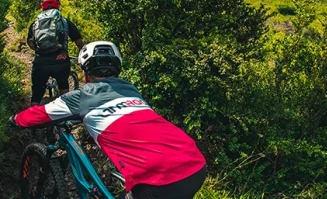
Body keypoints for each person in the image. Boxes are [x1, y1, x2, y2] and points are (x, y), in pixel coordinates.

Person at [11, 41, 207, 199]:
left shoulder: (79, 98)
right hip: (194, 163)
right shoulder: (131, 90)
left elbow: (38, 114)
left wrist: (15, 119)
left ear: (85, 73)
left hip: (158, 180)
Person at [27, 0, 84, 105]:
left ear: (42, 6)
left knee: (37, 92)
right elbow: (78, 41)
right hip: (60, 59)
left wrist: (41, 50)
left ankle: (32, 116)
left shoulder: (35, 23)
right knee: (63, 86)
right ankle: (65, 113)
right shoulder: (65, 22)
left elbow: (30, 42)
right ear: (58, 5)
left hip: (41, 61)